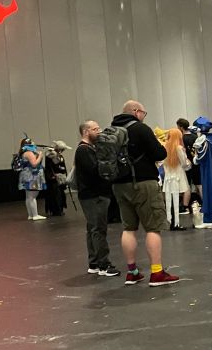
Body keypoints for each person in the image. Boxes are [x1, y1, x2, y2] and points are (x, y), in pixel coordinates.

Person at [110, 101, 179, 286]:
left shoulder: (112, 130)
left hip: (119, 184)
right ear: (136, 111)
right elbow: (159, 154)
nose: (143, 116)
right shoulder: (140, 129)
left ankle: (132, 272)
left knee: (128, 228)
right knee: (153, 227)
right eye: (143, 113)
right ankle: (157, 272)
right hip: (143, 183)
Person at [74, 121, 119, 277]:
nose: (99, 132)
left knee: (92, 228)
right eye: (95, 129)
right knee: (98, 229)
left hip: (92, 194)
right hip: (94, 195)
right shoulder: (84, 150)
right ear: (86, 131)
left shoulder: (88, 149)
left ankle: (94, 263)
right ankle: (104, 265)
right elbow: (94, 171)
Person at [162, 128, 190, 231]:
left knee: (169, 200)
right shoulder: (179, 148)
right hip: (178, 176)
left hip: (168, 177)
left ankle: (170, 221)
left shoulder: (164, 147)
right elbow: (184, 163)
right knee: (176, 200)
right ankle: (176, 223)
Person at [17, 137, 47, 221]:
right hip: (32, 176)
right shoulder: (29, 153)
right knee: (32, 196)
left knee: (28, 196)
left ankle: (31, 214)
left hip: (27, 175)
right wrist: (40, 156)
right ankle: (35, 215)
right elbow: (34, 164)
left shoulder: (24, 152)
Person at [177, 118, 200, 212]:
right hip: (197, 163)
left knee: (186, 186)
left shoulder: (182, 139)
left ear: (181, 127)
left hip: (187, 165)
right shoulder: (195, 137)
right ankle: (203, 203)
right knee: (199, 185)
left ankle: (186, 205)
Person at [43, 140, 70, 216]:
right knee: (55, 195)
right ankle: (56, 210)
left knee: (60, 195)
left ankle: (59, 209)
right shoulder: (51, 155)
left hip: (59, 178)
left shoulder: (57, 155)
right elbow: (56, 163)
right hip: (53, 179)